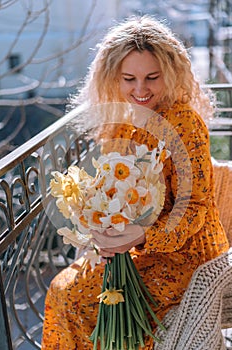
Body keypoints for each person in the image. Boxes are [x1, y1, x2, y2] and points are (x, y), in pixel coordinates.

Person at [41, 15, 229, 349]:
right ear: (113, 77)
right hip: (135, 249)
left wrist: (141, 236)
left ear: (170, 74)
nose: (140, 90)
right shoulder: (121, 120)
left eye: (151, 78)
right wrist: (104, 228)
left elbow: (197, 209)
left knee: (71, 297)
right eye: (129, 78)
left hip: (185, 255)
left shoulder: (183, 123)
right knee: (63, 289)